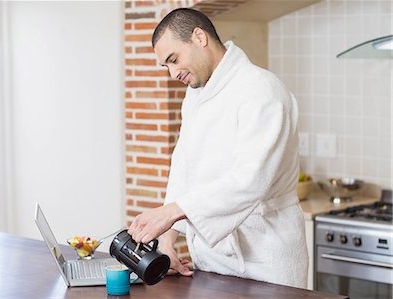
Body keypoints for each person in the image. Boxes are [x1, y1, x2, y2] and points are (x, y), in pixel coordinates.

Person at [128, 8, 308, 288]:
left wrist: (172, 212)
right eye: (166, 67)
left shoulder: (262, 91)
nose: (174, 73)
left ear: (199, 37)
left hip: (265, 257)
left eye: (174, 60)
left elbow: (251, 181)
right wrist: (167, 239)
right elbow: (183, 163)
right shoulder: (196, 96)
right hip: (213, 257)